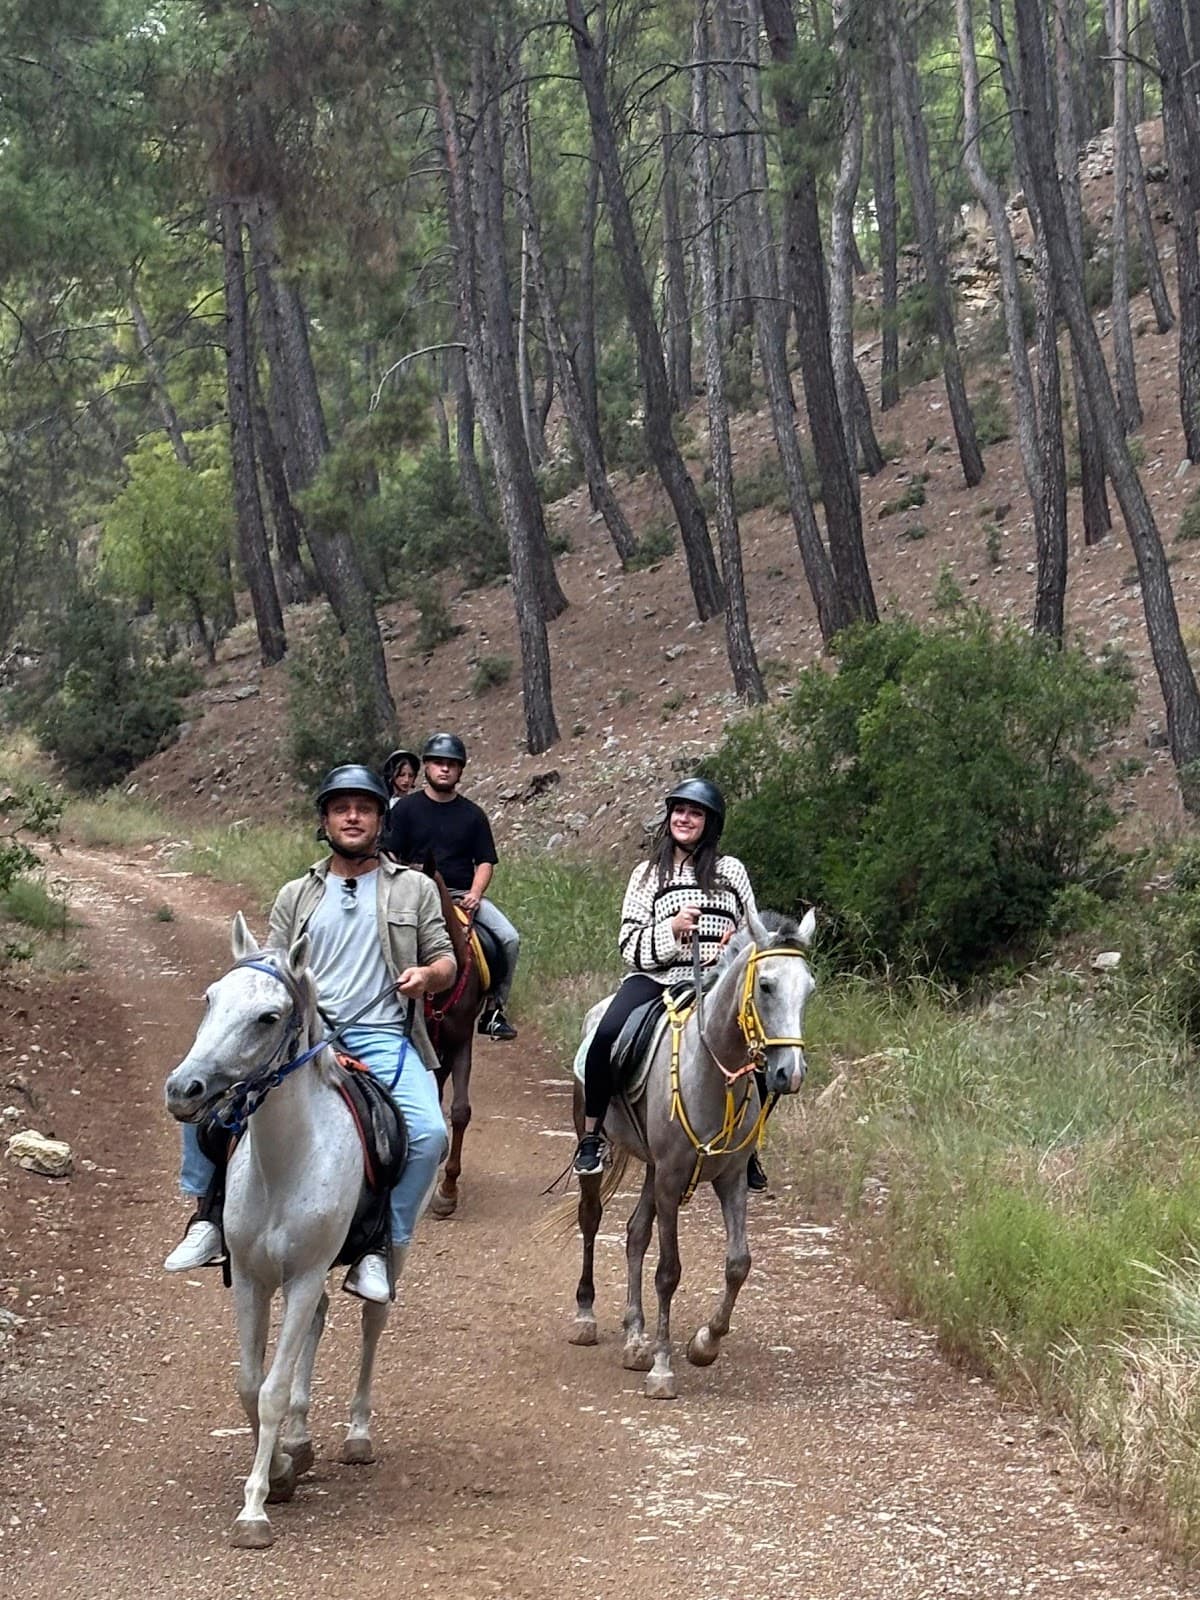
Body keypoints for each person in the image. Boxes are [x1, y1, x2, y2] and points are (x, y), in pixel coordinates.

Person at [163, 764, 457, 1304]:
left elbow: (446, 962)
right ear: (324, 819)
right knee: (203, 1086)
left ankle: (379, 1245)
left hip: (381, 1035)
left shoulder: (412, 889)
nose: (352, 817)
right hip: (301, 1038)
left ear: (379, 820)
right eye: (341, 808)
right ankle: (206, 1216)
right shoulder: (297, 892)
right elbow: (274, 968)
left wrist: (426, 977)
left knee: (430, 1135)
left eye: (364, 808)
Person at [573, 777, 769, 1190]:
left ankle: (747, 1145)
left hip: (719, 984)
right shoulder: (646, 875)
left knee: (765, 1049)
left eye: (695, 812)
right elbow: (629, 944)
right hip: (657, 979)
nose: (684, 818)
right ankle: (592, 1136)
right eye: (679, 810)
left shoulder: (731, 871)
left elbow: (753, 929)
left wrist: (733, 945)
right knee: (606, 1035)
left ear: (710, 823)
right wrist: (672, 930)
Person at [381, 732, 520, 1042]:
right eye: (438, 763)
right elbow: (390, 853)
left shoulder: (473, 815)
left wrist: (475, 893)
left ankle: (494, 1010)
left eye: (451, 765)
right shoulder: (404, 810)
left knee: (509, 939)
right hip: (411, 892)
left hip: (459, 896)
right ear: (427, 768)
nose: (444, 769)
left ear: (460, 771)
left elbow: (485, 861)